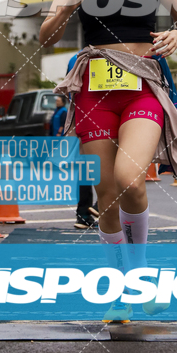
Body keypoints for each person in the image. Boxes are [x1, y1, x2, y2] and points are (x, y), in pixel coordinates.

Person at [40, 0, 177, 321]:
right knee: (106, 193)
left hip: (141, 83)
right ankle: (120, 287)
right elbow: (45, 35)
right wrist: (69, 3)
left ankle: (142, 277)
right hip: (94, 90)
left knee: (131, 179)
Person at [66, 52, 100, 231]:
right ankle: (99, 206)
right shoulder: (110, 54)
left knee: (85, 168)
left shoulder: (74, 58)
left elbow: (69, 90)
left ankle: (83, 214)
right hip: (104, 118)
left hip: (80, 118)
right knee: (117, 165)